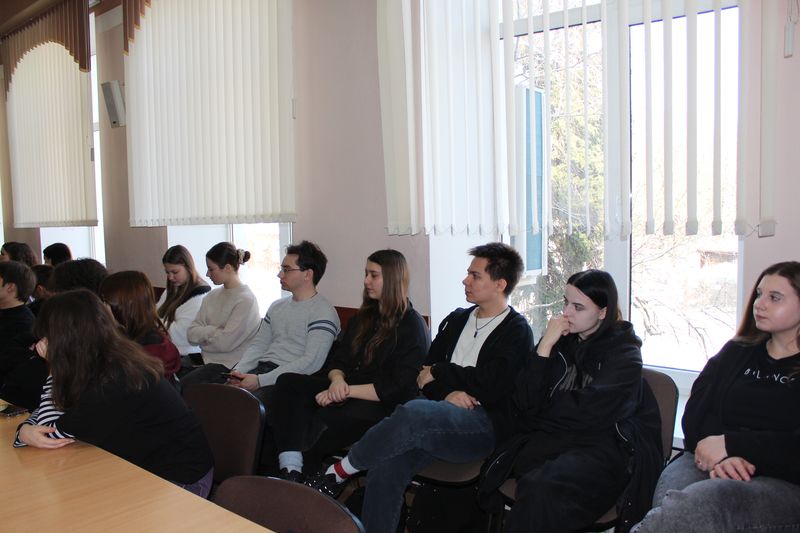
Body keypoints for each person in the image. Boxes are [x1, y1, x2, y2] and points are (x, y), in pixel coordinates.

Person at [307, 242, 533, 533]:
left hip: (481, 426)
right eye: (468, 273)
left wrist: (442, 372)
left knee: (414, 410)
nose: (465, 280)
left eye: (475, 276)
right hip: (437, 416)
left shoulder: (517, 330)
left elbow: (491, 386)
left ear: (500, 284)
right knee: (385, 465)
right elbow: (422, 375)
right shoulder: (457, 319)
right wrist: (447, 391)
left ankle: (340, 470)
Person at [479, 269, 662, 533]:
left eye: (578, 307)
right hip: (555, 443)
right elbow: (523, 400)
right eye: (565, 302)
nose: (566, 313)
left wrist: (543, 406)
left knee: (541, 491)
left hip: (603, 450)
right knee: (535, 484)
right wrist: (544, 347)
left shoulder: (624, 353)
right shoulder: (561, 341)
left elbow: (591, 412)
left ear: (603, 312)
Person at [632, 261, 800, 533]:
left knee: (701, 505)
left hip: (783, 479)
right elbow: (696, 412)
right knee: (674, 497)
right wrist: (720, 454)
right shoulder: (737, 351)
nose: (760, 304)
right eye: (759, 294)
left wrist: (733, 445)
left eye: (775, 297)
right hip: (707, 457)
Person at [13, 290, 214, 498]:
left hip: (181, 479)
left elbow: (49, 432)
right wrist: (26, 430)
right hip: (145, 467)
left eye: (47, 337)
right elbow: (55, 416)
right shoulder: (103, 360)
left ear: (65, 339)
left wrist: (53, 371)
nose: (41, 344)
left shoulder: (112, 380)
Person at [271, 249, 429, 478]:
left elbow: (395, 388)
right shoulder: (363, 317)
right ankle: (291, 467)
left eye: (373, 275)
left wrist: (343, 391)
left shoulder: (411, 326)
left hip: (379, 403)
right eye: (366, 274)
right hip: (346, 388)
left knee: (322, 419)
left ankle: (305, 479)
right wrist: (337, 380)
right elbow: (340, 360)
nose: (366, 281)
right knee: (287, 383)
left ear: (393, 279)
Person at [226, 240, 340, 403]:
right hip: (261, 370)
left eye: (287, 269)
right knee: (214, 396)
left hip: (288, 381)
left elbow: (311, 362)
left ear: (307, 274)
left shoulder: (323, 312)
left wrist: (260, 380)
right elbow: (259, 345)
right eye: (281, 269)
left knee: (240, 406)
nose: (280, 275)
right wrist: (238, 372)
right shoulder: (276, 306)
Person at [182, 242, 260, 385]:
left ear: (228, 268)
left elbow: (225, 344)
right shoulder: (212, 296)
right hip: (204, 359)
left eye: (211, 269)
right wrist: (213, 331)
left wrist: (203, 338)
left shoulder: (245, 300)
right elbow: (191, 334)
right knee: (163, 372)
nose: (207, 274)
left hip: (229, 366)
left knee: (184, 385)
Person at [99, 271, 182, 384]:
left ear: (123, 307)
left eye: (105, 302)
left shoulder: (150, 350)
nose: (102, 307)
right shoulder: (128, 336)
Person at [156, 245, 211, 368]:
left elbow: (182, 335)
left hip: (188, 358)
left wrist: (158, 324)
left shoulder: (200, 296)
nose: (170, 277)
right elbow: (154, 315)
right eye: (167, 272)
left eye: (175, 272)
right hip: (169, 351)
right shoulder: (173, 288)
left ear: (188, 267)